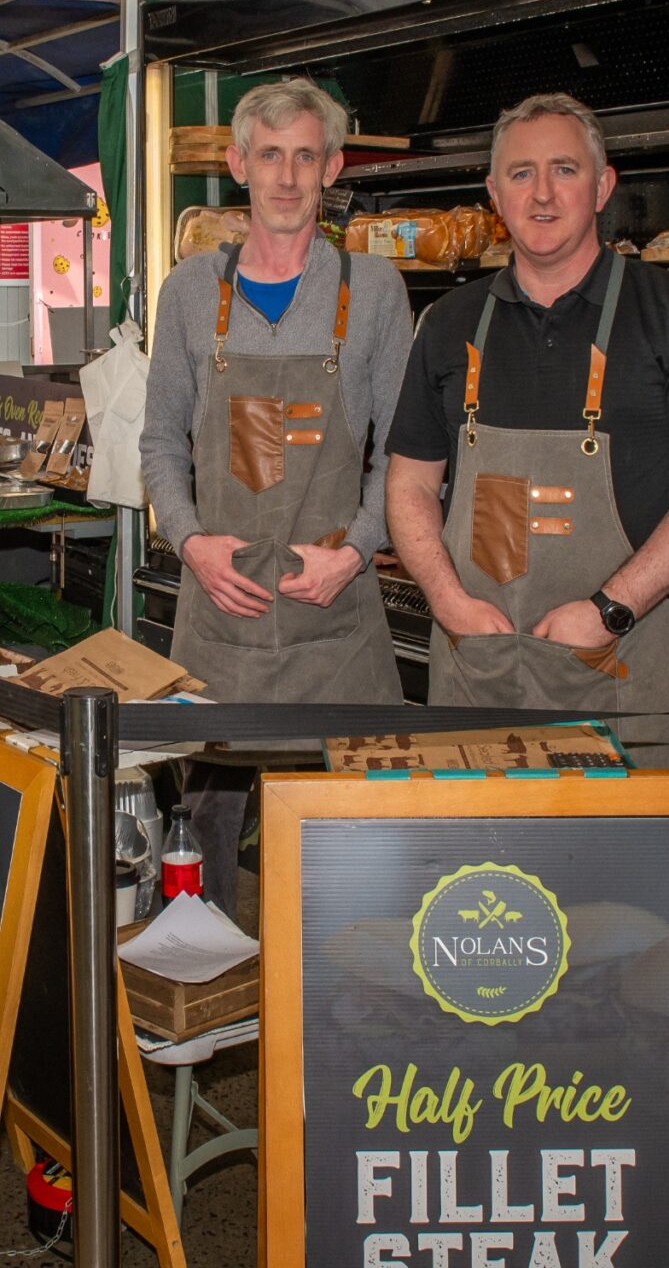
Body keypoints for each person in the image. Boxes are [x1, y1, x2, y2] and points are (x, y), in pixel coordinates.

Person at [387, 93, 669, 768]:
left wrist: (611, 609)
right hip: (477, 677)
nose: (543, 194)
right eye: (522, 174)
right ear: (495, 194)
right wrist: (447, 599)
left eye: (565, 170)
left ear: (604, 184)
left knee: (621, 870)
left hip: (618, 675)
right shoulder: (447, 324)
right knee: (476, 871)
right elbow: (409, 484)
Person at [139, 77, 410, 911]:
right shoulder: (189, 292)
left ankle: (343, 1003)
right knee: (207, 830)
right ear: (237, 165)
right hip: (223, 614)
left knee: (358, 832)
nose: (287, 178)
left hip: (335, 619)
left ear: (331, 168)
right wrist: (189, 541)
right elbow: (158, 445)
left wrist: (356, 549)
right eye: (269, 156)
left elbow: (402, 458)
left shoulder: (374, 291)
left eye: (305, 156)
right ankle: (207, 1004)